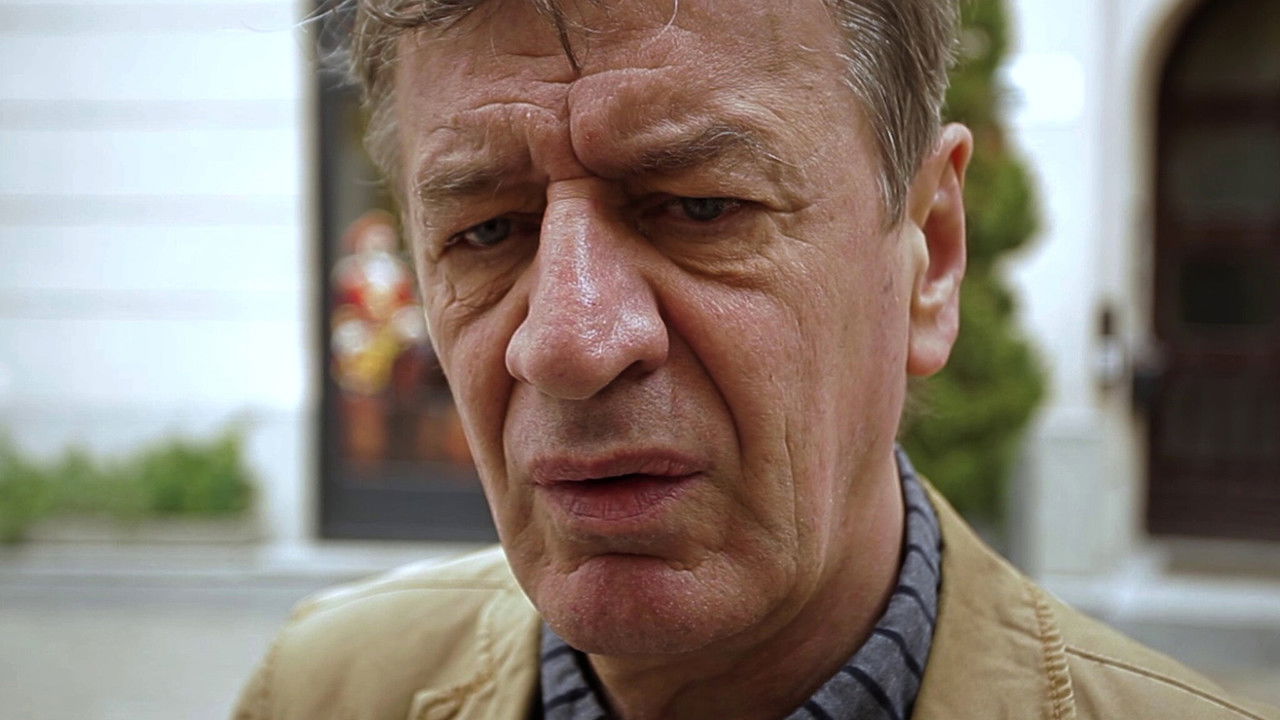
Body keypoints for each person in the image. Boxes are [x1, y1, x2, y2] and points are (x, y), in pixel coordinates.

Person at [234, 1, 1278, 718]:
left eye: (699, 206)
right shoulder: (323, 692)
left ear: (929, 256)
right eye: (488, 231)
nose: (567, 342)